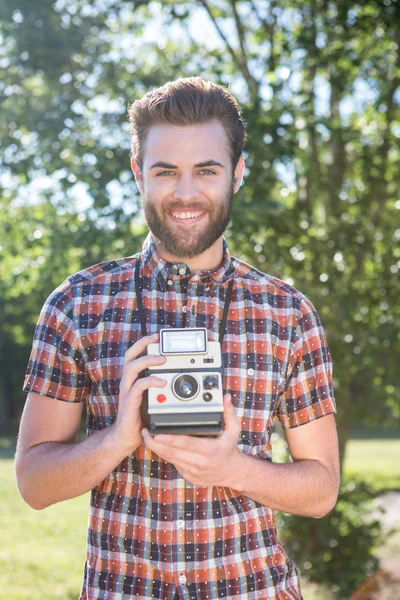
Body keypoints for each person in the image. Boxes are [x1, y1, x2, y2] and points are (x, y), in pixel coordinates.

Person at [15, 77, 339, 600]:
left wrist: (233, 468)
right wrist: (116, 440)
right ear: (137, 173)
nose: (186, 193)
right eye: (165, 171)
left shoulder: (288, 313)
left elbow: (321, 489)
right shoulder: (77, 305)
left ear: (236, 173)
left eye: (206, 171)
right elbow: (32, 483)